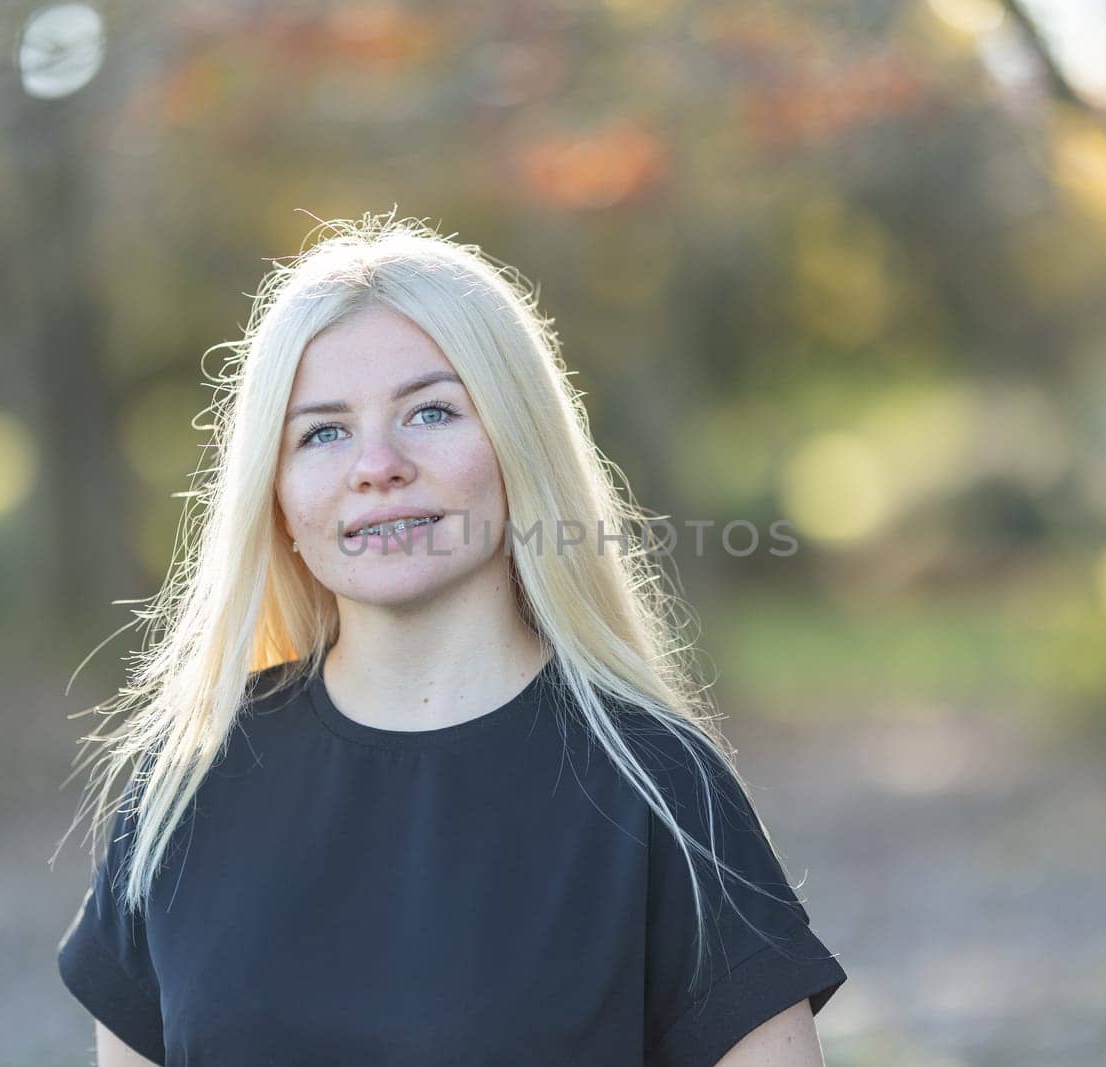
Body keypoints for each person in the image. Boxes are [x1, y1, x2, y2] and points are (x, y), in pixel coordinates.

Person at [54, 211, 847, 1066]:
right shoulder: (193, 778)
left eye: (430, 413)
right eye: (323, 431)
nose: (376, 463)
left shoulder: (654, 784)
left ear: (518, 444)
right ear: (274, 491)